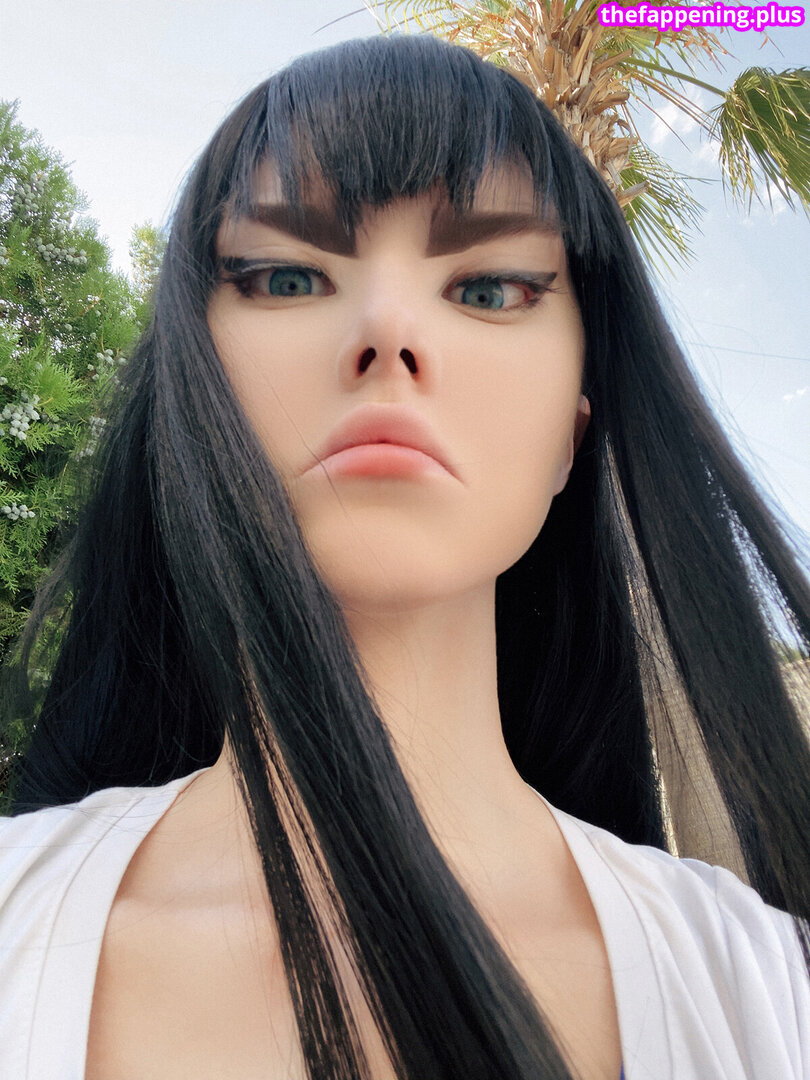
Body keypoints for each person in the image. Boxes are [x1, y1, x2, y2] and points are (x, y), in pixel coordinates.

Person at [0, 31, 808, 1080]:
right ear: (187, 400)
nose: (386, 331)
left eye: (490, 288)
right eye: (286, 276)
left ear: (574, 432)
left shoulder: (767, 995)